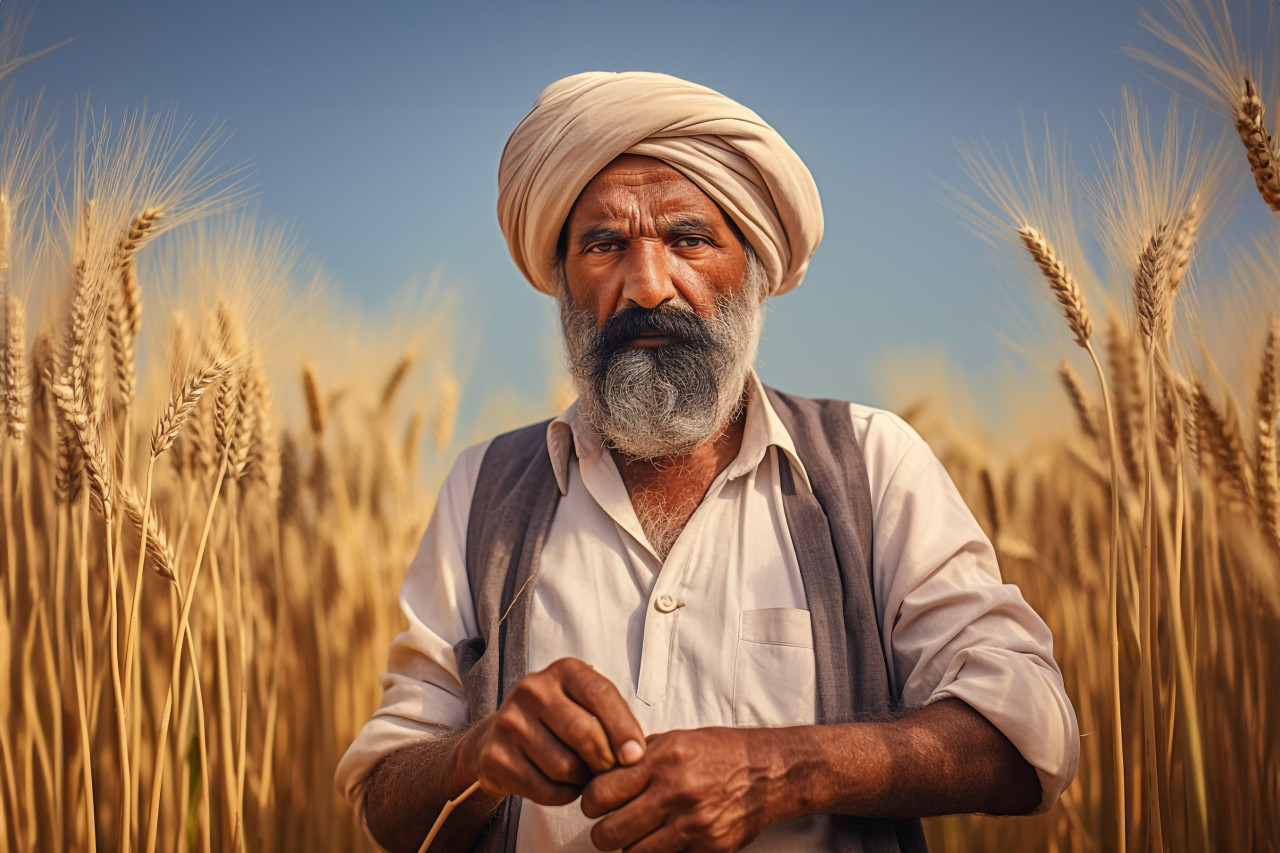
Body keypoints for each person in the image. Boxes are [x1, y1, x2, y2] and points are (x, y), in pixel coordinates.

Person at [336, 71, 1079, 853]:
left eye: (688, 239)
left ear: (753, 269)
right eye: (604, 244)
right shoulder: (484, 489)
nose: (647, 284)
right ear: (562, 281)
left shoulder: (871, 464)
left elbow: (1028, 732)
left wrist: (784, 769)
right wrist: (478, 754)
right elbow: (385, 799)